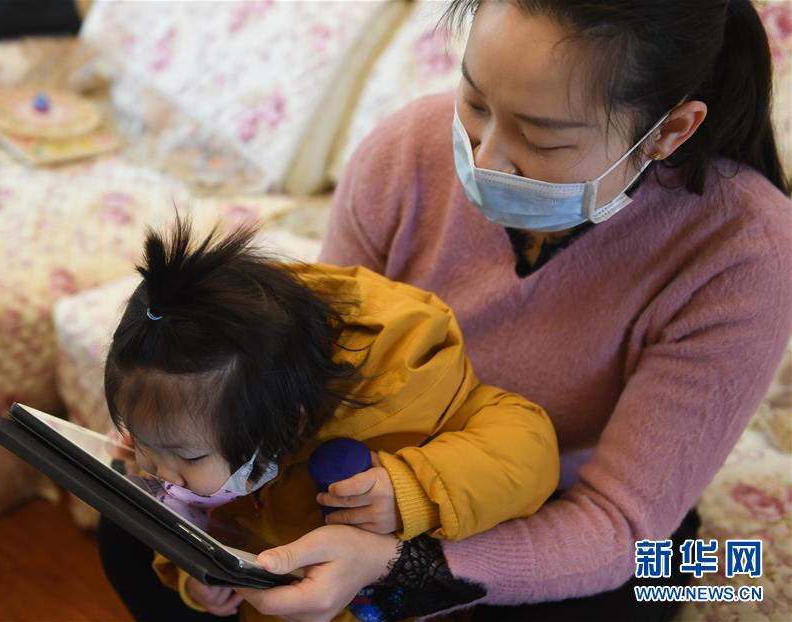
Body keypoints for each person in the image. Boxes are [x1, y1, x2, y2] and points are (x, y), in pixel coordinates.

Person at [228, 0, 791, 621]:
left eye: (543, 137)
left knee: (685, 579)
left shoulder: (744, 251)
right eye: (474, 103)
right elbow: (313, 365)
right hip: (388, 471)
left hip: (588, 517)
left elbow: (623, 524)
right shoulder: (407, 151)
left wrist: (403, 565)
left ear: (669, 131)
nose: (485, 158)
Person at [99, 217, 559, 620]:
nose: (161, 470)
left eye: (188, 456)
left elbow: (529, 447)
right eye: (141, 441)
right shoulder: (200, 434)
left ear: (287, 424)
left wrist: (414, 489)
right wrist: (192, 577)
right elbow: (182, 519)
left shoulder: (408, 388)